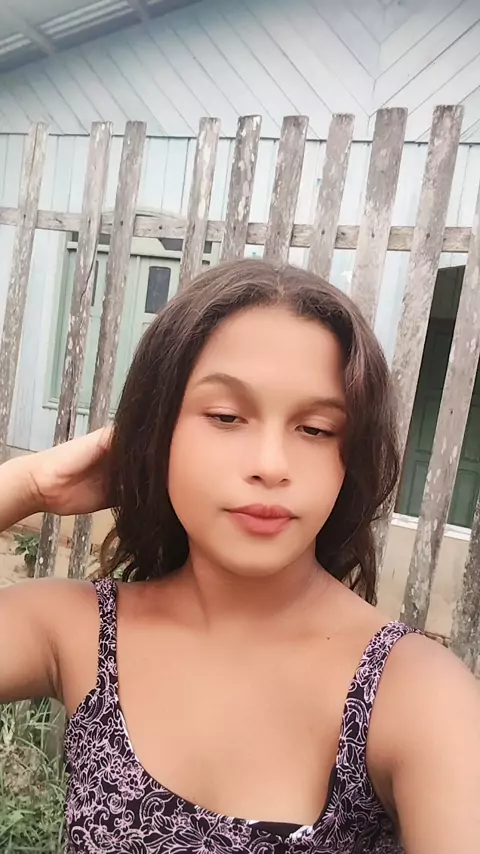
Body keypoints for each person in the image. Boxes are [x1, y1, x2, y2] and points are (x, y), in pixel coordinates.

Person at [0, 259, 478, 854]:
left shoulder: (416, 693)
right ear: (157, 430)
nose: (271, 465)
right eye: (226, 417)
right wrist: (26, 485)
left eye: (316, 429)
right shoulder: (77, 632)